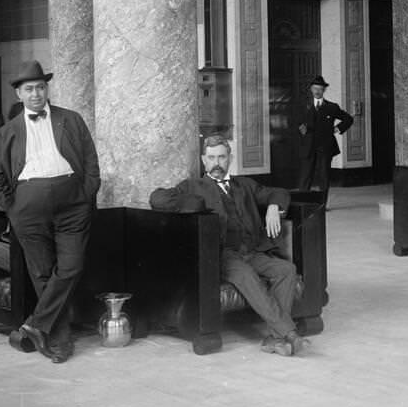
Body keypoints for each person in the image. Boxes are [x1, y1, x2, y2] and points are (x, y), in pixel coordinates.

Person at [150, 134, 304, 357]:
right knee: (246, 275)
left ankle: (275, 337)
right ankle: (289, 333)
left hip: (252, 250)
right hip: (223, 255)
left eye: (221, 157)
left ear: (229, 158)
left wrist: (274, 206)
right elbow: (158, 199)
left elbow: (278, 192)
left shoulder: (245, 185)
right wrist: (193, 203)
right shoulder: (193, 186)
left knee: (286, 270)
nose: (216, 163)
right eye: (211, 158)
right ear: (204, 160)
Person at [0, 60, 99, 365]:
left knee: (71, 266)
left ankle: (35, 324)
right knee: (41, 272)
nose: (36, 93)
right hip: (27, 208)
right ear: (19, 94)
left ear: (46, 88)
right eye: (29, 89)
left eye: (40, 87)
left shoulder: (71, 119)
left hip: (72, 205)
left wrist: (86, 193)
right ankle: (59, 339)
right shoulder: (8, 131)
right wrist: (12, 209)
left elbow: (90, 159)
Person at [297, 75, 353, 199]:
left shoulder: (332, 107)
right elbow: (294, 121)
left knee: (324, 176)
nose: (317, 91)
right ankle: (303, 202)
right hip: (308, 146)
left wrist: (337, 128)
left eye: (320, 89)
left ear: (324, 90)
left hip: (325, 146)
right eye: (315, 88)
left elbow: (348, 119)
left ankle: (322, 204)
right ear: (311, 89)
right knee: (305, 176)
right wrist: (300, 128)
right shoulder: (303, 105)